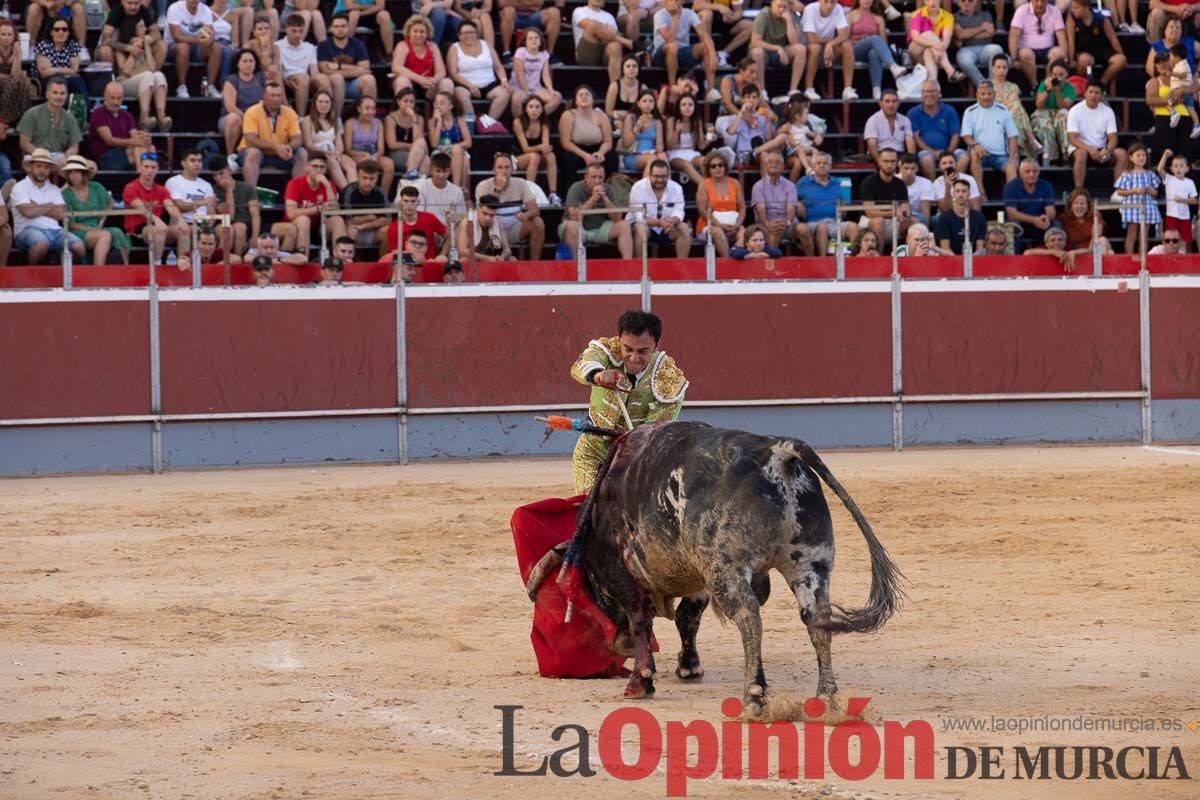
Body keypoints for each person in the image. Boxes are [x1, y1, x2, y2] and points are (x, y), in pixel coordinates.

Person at [568, 309, 687, 492]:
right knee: (590, 505)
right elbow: (581, 365)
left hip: (639, 456)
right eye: (628, 349)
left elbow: (653, 434)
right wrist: (597, 374)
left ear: (656, 346)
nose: (634, 357)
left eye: (642, 351)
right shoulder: (607, 351)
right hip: (593, 448)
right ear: (619, 341)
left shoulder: (668, 378)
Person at [11, 148, 85, 265]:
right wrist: (50, 206)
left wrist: (36, 206)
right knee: (41, 244)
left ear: (50, 169)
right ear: (31, 167)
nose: (42, 170)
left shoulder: (54, 189)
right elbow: (28, 212)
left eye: (46, 167)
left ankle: (67, 279)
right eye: (38, 166)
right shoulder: (19, 187)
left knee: (78, 245)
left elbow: (61, 214)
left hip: (55, 231)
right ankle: (32, 275)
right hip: (27, 230)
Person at [122, 152, 189, 266]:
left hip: (156, 226)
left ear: (158, 169)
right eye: (146, 167)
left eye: (153, 167)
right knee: (159, 230)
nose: (150, 170)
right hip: (137, 229)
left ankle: (183, 263)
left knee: (183, 230)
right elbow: (142, 210)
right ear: (140, 168)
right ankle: (157, 267)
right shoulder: (131, 187)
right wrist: (157, 220)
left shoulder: (161, 189)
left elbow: (171, 207)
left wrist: (181, 220)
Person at [474, 151, 546, 258]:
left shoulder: (521, 183)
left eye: (507, 167)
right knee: (482, 223)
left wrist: (525, 215)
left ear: (512, 169)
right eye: (500, 167)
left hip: (514, 229)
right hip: (491, 229)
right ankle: (487, 260)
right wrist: (498, 189)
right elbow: (485, 210)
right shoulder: (483, 186)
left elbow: (535, 210)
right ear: (493, 169)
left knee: (538, 222)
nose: (503, 171)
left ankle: (534, 264)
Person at [63, 155, 129, 266]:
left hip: (97, 226)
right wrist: (93, 229)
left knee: (117, 232)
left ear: (83, 173)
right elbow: (71, 225)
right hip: (78, 232)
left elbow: (110, 203)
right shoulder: (66, 194)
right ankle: (98, 271)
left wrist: (101, 222)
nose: (74, 176)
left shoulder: (96, 187)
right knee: (104, 235)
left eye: (77, 172)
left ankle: (127, 269)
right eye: (70, 172)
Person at [560, 162, 634, 259]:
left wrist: (605, 198)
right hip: (578, 227)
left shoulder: (608, 189)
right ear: (586, 177)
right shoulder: (576, 188)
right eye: (593, 177)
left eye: (600, 177)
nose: (597, 181)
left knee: (624, 225)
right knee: (571, 226)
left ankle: (628, 265)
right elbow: (574, 216)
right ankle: (575, 268)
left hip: (599, 227)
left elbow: (617, 218)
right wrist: (593, 199)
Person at [959, 80, 1019, 200]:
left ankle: (1011, 201)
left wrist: (1012, 156)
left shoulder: (1002, 110)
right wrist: (975, 144)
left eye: (989, 94)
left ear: (994, 94)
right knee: (974, 153)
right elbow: (966, 136)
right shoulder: (970, 112)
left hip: (1000, 155)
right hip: (980, 154)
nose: (986, 97)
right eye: (983, 94)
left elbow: (1012, 136)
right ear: (977, 95)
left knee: (1012, 166)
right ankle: (981, 193)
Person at [239, 81, 306, 186]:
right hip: (257, 153)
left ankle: (297, 195)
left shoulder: (290, 113)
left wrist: (288, 147)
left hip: (281, 155)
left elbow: (298, 139)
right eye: (272, 95)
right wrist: (275, 147)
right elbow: (250, 140)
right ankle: (251, 196)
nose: (276, 99)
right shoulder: (252, 112)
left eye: (279, 95)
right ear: (264, 96)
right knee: (253, 153)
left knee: (302, 153)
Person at [280, 152, 346, 257]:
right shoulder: (295, 183)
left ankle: (340, 260)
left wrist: (327, 186)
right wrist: (318, 209)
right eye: (315, 166)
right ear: (307, 167)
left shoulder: (328, 184)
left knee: (338, 220)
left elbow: (335, 211)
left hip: (319, 226)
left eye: (322, 167)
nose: (319, 170)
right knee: (304, 220)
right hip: (295, 224)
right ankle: (302, 259)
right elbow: (291, 213)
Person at [447, 19, 511, 125]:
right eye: (465, 33)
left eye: (472, 32)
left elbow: (498, 66)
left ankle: (487, 123)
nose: (469, 35)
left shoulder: (486, 44)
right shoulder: (454, 48)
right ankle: (470, 125)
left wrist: (503, 79)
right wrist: (471, 86)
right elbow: (453, 73)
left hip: (489, 83)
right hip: (465, 85)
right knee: (461, 94)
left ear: (476, 34)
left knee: (505, 93)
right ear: (459, 35)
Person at [1066, 81, 1127, 189]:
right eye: (1090, 92)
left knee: (1121, 154)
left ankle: (1119, 191)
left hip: (1101, 151)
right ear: (1085, 93)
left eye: (1097, 93)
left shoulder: (1108, 111)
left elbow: (1113, 137)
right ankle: (1079, 190)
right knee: (1081, 154)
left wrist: (1108, 150)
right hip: (1080, 149)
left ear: (1102, 95)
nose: (1093, 95)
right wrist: (1090, 149)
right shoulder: (1075, 110)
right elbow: (1072, 138)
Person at [558, 85, 616, 196]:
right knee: (567, 158)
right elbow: (565, 143)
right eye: (580, 95)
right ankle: (571, 195)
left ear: (593, 99)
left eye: (587, 94)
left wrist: (600, 153)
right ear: (576, 100)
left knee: (612, 157)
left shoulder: (601, 115)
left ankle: (609, 193)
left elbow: (608, 141)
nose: (584, 97)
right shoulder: (568, 115)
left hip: (597, 149)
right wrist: (585, 155)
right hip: (576, 150)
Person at [795, 151, 856, 256]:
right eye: (819, 163)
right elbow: (790, 198)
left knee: (853, 227)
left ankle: (856, 261)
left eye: (825, 163)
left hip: (834, 222)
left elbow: (842, 206)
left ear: (830, 166)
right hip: (812, 223)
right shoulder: (803, 182)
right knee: (822, 227)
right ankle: (823, 262)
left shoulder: (836, 182)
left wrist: (843, 209)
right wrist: (797, 203)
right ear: (813, 166)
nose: (822, 165)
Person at [627, 159, 690, 258]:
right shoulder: (638, 187)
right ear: (650, 175)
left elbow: (679, 211)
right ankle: (639, 268)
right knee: (641, 228)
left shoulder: (677, 188)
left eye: (663, 176)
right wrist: (659, 222)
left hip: (668, 227)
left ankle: (682, 267)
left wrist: (671, 221)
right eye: (656, 176)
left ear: (668, 175)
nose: (660, 180)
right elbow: (639, 216)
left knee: (684, 228)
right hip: (646, 227)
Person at [165, 0, 229, 98]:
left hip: (196, 47)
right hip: (173, 46)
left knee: (216, 47)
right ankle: (181, 87)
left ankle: (210, 86)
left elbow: (211, 32)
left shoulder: (205, 10)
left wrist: (208, 39)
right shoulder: (175, 8)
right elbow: (176, 36)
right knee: (183, 47)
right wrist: (198, 41)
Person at [114, 21, 170, 132]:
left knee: (158, 75)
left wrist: (147, 47)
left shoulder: (144, 45)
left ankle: (161, 116)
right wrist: (133, 52)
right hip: (125, 83)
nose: (145, 29)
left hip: (144, 81)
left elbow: (153, 68)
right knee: (148, 75)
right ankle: (144, 117)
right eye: (141, 26)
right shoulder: (121, 48)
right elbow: (125, 71)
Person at [848, 0, 906, 101]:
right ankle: (893, 66)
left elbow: (883, 42)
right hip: (854, 49)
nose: (867, 1)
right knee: (874, 38)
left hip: (871, 50)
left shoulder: (878, 18)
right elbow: (845, 39)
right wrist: (866, 41)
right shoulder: (850, 15)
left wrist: (871, 42)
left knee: (874, 53)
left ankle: (876, 90)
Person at [750, 0, 808, 102]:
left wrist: (789, 21)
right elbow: (755, 41)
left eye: (784, 7)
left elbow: (795, 42)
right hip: (764, 51)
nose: (781, 9)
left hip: (780, 53)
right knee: (757, 52)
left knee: (801, 49)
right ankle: (762, 91)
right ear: (772, 4)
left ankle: (793, 90)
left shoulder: (789, 16)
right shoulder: (764, 14)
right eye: (779, 6)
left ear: (789, 7)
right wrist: (777, 48)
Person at [16, 78, 81, 168]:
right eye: (55, 93)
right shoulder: (32, 114)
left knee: (89, 166)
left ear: (66, 96)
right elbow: (24, 143)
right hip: (35, 154)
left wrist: (66, 157)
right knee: (41, 166)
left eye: (62, 93)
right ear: (47, 94)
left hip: (59, 156)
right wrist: (42, 155)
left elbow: (74, 147)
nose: (58, 97)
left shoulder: (70, 118)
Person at [320, 13, 378, 113]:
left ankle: (368, 116)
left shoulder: (358, 44)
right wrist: (356, 69)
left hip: (354, 85)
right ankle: (336, 119)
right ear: (331, 28)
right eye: (336, 26)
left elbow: (365, 69)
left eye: (343, 26)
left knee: (369, 79)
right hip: (333, 86)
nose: (340, 29)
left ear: (348, 27)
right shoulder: (324, 45)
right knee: (337, 78)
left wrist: (338, 66)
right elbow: (325, 70)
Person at [87, 82, 152, 172]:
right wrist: (133, 141)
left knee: (150, 147)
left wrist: (144, 138)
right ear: (105, 96)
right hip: (105, 157)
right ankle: (141, 176)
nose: (116, 102)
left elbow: (134, 136)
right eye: (112, 98)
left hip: (126, 152)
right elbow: (109, 141)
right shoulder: (98, 113)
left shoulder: (127, 115)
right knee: (141, 149)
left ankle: (140, 172)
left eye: (119, 98)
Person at [801, 0, 857, 101]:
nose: (829, 5)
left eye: (832, 2)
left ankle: (847, 89)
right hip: (808, 50)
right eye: (825, 1)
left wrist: (830, 44)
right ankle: (809, 89)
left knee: (847, 45)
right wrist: (829, 43)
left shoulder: (838, 8)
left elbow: (844, 35)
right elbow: (811, 38)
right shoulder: (810, 9)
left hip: (828, 49)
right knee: (815, 47)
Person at [990, 54, 1042, 160]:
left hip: (1012, 118)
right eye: (998, 67)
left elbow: (1013, 102)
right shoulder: (987, 86)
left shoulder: (1013, 86)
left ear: (1008, 69)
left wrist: (1007, 106)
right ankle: (1031, 139)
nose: (1001, 70)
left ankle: (1016, 148)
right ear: (993, 69)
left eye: (1004, 67)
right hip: (993, 119)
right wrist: (1007, 107)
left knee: (1016, 108)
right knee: (1017, 108)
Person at [1113, 143, 1162, 253]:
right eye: (1138, 155)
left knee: (1143, 236)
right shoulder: (1127, 174)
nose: (1141, 158)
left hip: (1147, 206)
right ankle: (1128, 259)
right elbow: (1120, 191)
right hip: (1132, 206)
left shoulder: (1150, 173)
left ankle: (1142, 260)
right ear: (1131, 158)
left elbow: (1155, 192)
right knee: (1131, 235)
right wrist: (1134, 191)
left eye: (1143, 155)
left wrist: (1149, 190)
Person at [859, 147, 911, 250]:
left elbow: (906, 207)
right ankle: (879, 259)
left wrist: (904, 214)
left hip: (893, 221)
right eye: (886, 161)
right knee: (879, 221)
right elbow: (869, 212)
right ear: (879, 162)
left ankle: (908, 257)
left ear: (897, 163)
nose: (889, 165)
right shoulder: (869, 182)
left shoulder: (900, 184)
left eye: (892, 162)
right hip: (869, 221)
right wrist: (894, 212)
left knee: (913, 221)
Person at [908, 81, 962, 179]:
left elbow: (955, 135)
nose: (929, 94)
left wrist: (948, 153)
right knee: (926, 159)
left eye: (932, 91)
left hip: (948, 150)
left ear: (939, 94)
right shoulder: (913, 113)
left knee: (963, 156)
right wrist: (932, 152)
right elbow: (916, 137)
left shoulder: (949, 110)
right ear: (921, 94)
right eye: (926, 91)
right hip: (926, 152)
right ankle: (933, 189)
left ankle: (956, 186)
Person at [751, 151, 804, 250]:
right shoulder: (758, 186)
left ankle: (811, 262)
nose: (774, 165)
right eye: (770, 162)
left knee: (803, 229)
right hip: (766, 224)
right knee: (774, 230)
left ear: (783, 166)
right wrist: (768, 224)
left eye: (777, 162)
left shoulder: (790, 186)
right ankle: (771, 263)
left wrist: (786, 222)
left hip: (787, 223)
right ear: (765, 166)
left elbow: (791, 210)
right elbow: (760, 211)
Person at [220, 48, 266, 162]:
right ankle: (230, 155)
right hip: (234, 118)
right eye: (245, 61)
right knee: (233, 118)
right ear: (237, 64)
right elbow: (230, 107)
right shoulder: (231, 80)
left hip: (257, 117)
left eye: (251, 61)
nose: (248, 64)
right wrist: (249, 119)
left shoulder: (261, 77)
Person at [1066, 0, 1127, 86]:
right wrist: (1071, 59)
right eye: (1072, 7)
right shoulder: (1072, 18)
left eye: (1076, 8)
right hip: (1083, 51)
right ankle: (1081, 85)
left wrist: (1121, 54)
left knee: (1120, 60)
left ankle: (1100, 85)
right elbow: (1071, 40)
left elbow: (1113, 39)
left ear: (1086, 8)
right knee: (1084, 60)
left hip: (1101, 49)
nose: (1073, 10)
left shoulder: (1102, 19)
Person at [1009, 0, 1067, 88]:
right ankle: (1035, 85)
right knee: (1025, 54)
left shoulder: (1055, 11)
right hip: (1027, 48)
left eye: (1043, 1)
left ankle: (1046, 85)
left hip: (1048, 48)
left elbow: (1061, 35)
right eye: (1036, 1)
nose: (1039, 4)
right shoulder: (1021, 11)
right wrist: (1014, 58)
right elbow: (1013, 35)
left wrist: (1065, 58)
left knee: (1059, 53)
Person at [695, 152, 745, 257]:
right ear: (708, 169)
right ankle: (728, 263)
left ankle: (735, 253)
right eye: (713, 166)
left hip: (733, 224)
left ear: (725, 167)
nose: (717, 168)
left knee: (745, 233)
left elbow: (742, 207)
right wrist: (720, 225)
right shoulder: (704, 184)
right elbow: (702, 210)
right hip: (709, 224)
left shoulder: (735, 183)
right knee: (717, 232)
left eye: (720, 165)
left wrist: (738, 225)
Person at [761, 97, 821, 181]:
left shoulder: (805, 126)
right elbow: (778, 137)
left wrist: (818, 137)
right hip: (790, 154)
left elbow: (815, 135)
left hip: (804, 152)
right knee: (798, 161)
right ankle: (791, 187)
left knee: (810, 158)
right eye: (806, 114)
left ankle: (812, 183)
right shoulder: (786, 125)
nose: (808, 116)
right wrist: (781, 130)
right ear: (797, 115)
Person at [573, 0, 634, 83]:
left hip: (605, 52)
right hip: (587, 52)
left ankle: (615, 88)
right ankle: (627, 42)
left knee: (615, 46)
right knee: (593, 26)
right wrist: (607, 33)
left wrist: (605, 34)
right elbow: (589, 26)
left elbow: (616, 34)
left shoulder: (609, 16)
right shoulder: (579, 11)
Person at [302, 89, 352, 190]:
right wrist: (326, 153)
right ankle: (347, 192)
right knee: (332, 162)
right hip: (317, 154)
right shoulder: (307, 120)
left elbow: (339, 144)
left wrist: (337, 152)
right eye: (320, 102)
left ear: (331, 104)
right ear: (315, 103)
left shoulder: (334, 121)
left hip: (333, 153)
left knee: (350, 163)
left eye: (326, 102)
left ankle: (354, 190)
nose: (323, 105)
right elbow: (308, 145)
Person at [210, 154, 259, 258]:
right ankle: (221, 263)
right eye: (214, 175)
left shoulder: (247, 187)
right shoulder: (214, 190)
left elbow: (255, 214)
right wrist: (228, 191)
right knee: (228, 229)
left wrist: (254, 238)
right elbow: (229, 217)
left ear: (229, 171)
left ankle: (238, 261)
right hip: (222, 223)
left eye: (221, 173)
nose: (218, 178)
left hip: (244, 223)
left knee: (240, 228)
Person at [345, 96, 394, 197]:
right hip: (356, 155)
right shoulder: (350, 123)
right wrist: (363, 155)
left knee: (389, 164)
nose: (371, 112)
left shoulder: (378, 123)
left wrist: (376, 156)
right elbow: (348, 150)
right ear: (359, 109)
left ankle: (383, 197)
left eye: (373, 108)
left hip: (373, 155)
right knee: (366, 162)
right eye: (367, 108)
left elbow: (381, 148)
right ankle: (362, 195)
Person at [508, 27, 562, 118]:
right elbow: (519, 75)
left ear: (540, 41)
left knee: (556, 98)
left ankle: (535, 119)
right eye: (530, 38)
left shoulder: (544, 54)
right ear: (525, 42)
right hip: (519, 86)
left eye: (536, 38)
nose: (534, 40)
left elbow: (545, 75)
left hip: (535, 87)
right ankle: (519, 123)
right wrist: (527, 93)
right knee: (516, 99)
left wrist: (550, 89)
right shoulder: (521, 51)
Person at [514, 95, 559, 203]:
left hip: (537, 157)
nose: (534, 110)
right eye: (531, 106)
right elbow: (525, 148)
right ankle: (529, 193)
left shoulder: (544, 122)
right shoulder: (518, 122)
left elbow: (545, 145)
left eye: (537, 107)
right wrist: (540, 147)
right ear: (526, 108)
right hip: (519, 158)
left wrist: (546, 148)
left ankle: (553, 194)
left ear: (542, 109)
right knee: (534, 156)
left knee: (551, 155)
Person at [1002, 158, 1057, 246]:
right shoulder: (1010, 186)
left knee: (1056, 225)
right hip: (1020, 222)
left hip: (1040, 221)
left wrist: (1046, 218)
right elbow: (1011, 213)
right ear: (1020, 173)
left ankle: (1055, 257)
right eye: (1027, 171)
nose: (1031, 174)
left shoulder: (1046, 185)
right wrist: (1033, 220)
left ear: (1039, 173)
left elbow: (1051, 211)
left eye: (1035, 171)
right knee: (1013, 226)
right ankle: (1013, 258)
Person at [277, 13, 323, 116]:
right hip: (287, 80)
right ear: (286, 29)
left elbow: (315, 71)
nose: (298, 35)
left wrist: (318, 79)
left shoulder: (310, 47)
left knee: (322, 78)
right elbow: (278, 71)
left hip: (306, 79)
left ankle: (327, 117)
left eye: (300, 31)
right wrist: (287, 81)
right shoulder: (277, 46)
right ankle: (300, 117)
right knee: (302, 78)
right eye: (294, 31)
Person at [98, 0, 167, 70]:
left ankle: (154, 75)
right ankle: (114, 78)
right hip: (120, 49)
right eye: (129, 3)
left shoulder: (143, 10)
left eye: (136, 3)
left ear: (140, 2)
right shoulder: (116, 11)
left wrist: (145, 40)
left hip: (140, 47)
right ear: (122, 2)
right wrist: (128, 47)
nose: (133, 7)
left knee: (162, 45)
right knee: (104, 51)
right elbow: (105, 39)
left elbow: (157, 34)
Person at [385, 185, 449, 258]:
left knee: (443, 259)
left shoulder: (430, 218)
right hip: (407, 265)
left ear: (418, 202)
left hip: (430, 263)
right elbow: (395, 254)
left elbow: (448, 237)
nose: (409, 205)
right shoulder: (393, 228)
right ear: (400, 203)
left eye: (413, 201)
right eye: (406, 201)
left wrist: (442, 255)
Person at [33, 16, 87, 101]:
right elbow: (45, 72)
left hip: (68, 80)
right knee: (61, 81)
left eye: (64, 29)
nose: (61, 32)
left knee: (77, 80)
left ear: (68, 32)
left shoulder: (72, 45)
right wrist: (66, 72)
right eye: (57, 29)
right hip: (47, 82)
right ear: (51, 32)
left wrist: (55, 70)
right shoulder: (44, 45)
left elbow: (74, 70)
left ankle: (82, 111)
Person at [1033, 59, 1076, 165]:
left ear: (1067, 74)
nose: (1058, 77)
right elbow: (1039, 105)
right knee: (1046, 125)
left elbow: (1064, 106)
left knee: (1064, 113)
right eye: (1055, 74)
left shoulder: (1070, 88)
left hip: (1059, 113)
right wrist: (1047, 90)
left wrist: (1057, 92)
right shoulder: (1044, 84)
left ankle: (1066, 153)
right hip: (1043, 112)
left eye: (1061, 74)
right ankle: (1052, 158)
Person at [908, 0, 963, 84]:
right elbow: (915, 37)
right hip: (915, 51)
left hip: (935, 55)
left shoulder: (948, 16)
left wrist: (936, 48)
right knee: (928, 33)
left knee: (928, 51)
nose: (932, 2)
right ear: (925, 2)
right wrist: (934, 44)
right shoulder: (917, 14)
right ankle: (950, 70)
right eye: (928, 0)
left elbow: (946, 41)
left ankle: (933, 83)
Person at [427, 91, 472, 192]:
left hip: (456, 152)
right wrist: (438, 123)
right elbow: (434, 144)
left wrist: (451, 147)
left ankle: (461, 190)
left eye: (442, 103)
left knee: (463, 158)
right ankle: (457, 189)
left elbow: (468, 142)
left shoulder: (458, 119)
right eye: (436, 103)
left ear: (450, 106)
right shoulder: (431, 122)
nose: (438, 106)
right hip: (440, 152)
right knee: (461, 156)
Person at [619, 89, 670, 177]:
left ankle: (668, 188)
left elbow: (660, 144)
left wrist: (658, 148)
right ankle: (643, 190)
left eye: (651, 101)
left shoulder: (657, 122)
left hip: (651, 153)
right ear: (638, 104)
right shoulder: (631, 117)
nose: (648, 104)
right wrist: (637, 128)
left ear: (654, 104)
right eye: (645, 101)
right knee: (652, 159)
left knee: (662, 156)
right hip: (633, 156)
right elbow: (626, 144)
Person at [953, 0, 1003, 88]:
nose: (966, 3)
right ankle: (984, 86)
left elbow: (990, 33)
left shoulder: (985, 14)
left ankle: (993, 83)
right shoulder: (954, 17)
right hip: (966, 50)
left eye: (970, 1)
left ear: (975, 2)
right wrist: (982, 27)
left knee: (997, 49)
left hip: (985, 48)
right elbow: (959, 35)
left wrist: (966, 34)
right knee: (963, 60)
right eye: (963, 0)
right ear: (959, 3)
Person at [165, 148, 218, 230]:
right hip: (183, 224)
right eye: (193, 161)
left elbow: (211, 210)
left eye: (199, 161)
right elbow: (180, 206)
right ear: (184, 164)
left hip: (203, 224)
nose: (197, 164)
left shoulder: (207, 185)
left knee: (225, 231)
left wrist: (207, 228)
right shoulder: (173, 182)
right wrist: (203, 202)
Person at [385, 88, 431, 181]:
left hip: (416, 153)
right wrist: (413, 147)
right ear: (398, 101)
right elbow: (392, 144)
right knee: (422, 150)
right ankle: (410, 180)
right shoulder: (390, 118)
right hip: (397, 153)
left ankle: (414, 186)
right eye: (405, 101)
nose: (409, 104)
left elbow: (417, 139)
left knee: (426, 160)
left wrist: (413, 118)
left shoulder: (419, 118)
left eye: (411, 102)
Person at [932, 178, 987, 255]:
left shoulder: (979, 217)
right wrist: (958, 263)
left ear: (969, 194)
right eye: (957, 191)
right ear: (953, 194)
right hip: (951, 261)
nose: (960, 194)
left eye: (964, 191)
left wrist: (969, 261)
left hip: (974, 260)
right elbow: (945, 247)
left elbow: (980, 248)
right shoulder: (944, 218)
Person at [413, 151, 467, 227]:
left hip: (449, 232)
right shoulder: (421, 187)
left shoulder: (457, 191)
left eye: (445, 171)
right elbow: (419, 214)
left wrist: (452, 217)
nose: (441, 175)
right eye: (438, 171)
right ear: (431, 170)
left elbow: (462, 217)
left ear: (449, 171)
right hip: (428, 229)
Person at [1158, 148, 1197, 249]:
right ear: (1171, 169)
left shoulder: (1190, 182)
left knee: (1184, 241)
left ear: (1187, 169)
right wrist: (1165, 156)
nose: (1178, 168)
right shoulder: (1169, 179)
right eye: (1175, 166)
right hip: (1171, 215)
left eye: (1181, 166)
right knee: (1170, 241)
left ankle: (1185, 263)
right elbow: (1159, 169)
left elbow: (1193, 200)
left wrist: (1182, 200)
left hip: (1185, 216)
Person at [0, 21, 34, 137]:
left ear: (14, 36)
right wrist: (15, 76)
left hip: (12, 84)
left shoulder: (16, 50)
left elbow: (15, 74)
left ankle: (22, 122)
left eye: (9, 34)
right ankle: (6, 122)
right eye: (3, 34)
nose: (6, 38)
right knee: (17, 83)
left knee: (19, 84)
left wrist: (16, 55)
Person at [666, 94, 709, 186]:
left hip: (692, 153)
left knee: (705, 160)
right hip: (675, 154)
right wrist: (677, 131)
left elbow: (701, 146)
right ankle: (707, 188)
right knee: (686, 164)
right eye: (684, 105)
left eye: (690, 105)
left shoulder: (697, 121)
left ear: (694, 107)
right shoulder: (672, 120)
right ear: (679, 107)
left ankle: (709, 185)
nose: (687, 107)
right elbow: (670, 145)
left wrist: (702, 133)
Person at [865, 88, 915, 166]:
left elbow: (910, 141)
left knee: (905, 167)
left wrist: (911, 161)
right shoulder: (873, 120)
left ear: (898, 103)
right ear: (880, 103)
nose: (891, 104)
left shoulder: (905, 120)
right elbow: (872, 145)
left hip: (899, 154)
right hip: (880, 154)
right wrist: (880, 162)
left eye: (894, 101)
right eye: (887, 101)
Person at [458, 193, 512, 261]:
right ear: (478, 209)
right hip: (471, 258)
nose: (487, 218)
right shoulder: (466, 222)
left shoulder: (496, 222)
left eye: (491, 215)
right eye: (485, 213)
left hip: (489, 256)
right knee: (464, 259)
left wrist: (502, 257)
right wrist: (487, 258)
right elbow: (462, 250)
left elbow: (507, 249)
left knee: (512, 259)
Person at [1060, 186, 1112, 253]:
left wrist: (1089, 250)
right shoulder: (1063, 219)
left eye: (1082, 203)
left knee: (1103, 241)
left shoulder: (1095, 215)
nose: (1079, 206)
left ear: (1087, 206)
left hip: (1093, 250)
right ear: (1071, 206)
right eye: (1076, 203)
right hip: (1076, 253)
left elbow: (1096, 235)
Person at [1166, 44, 1200, 137]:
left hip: (1179, 89)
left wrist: (1172, 74)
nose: (1170, 58)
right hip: (1185, 91)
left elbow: (1183, 75)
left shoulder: (1182, 64)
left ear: (1176, 57)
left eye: (1170, 56)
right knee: (1190, 108)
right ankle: (1196, 125)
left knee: (1168, 101)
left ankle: (1174, 113)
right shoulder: (1180, 64)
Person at [606, 54, 650, 125]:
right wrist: (616, 114)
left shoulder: (643, 87)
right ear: (622, 69)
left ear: (638, 69)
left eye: (634, 66)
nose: (631, 69)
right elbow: (608, 111)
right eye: (628, 66)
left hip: (636, 122)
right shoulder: (614, 86)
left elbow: (646, 111)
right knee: (619, 123)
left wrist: (629, 117)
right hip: (617, 121)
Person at [900, 152, 936, 224]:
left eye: (913, 168)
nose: (909, 172)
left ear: (917, 169)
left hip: (917, 216)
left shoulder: (926, 183)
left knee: (919, 218)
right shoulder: (893, 180)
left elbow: (925, 213)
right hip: (898, 215)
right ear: (900, 168)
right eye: (906, 168)